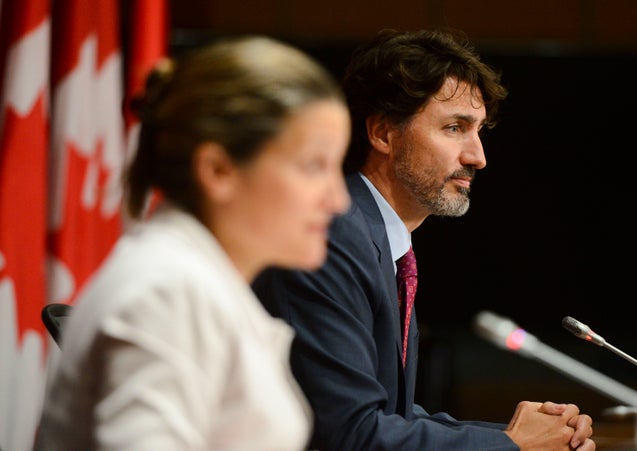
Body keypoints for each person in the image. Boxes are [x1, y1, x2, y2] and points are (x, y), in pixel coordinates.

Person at [252, 28, 596, 450]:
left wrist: (523, 435)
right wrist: (513, 446)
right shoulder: (332, 235)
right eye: (454, 128)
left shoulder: (376, 238)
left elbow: (392, 416)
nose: (478, 157)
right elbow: (350, 433)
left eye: (479, 131)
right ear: (382, 133)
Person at [35, 36, 351, 450]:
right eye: (314, 166)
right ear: (218, 170)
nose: (339, 200)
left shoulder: (192, 277)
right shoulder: (169, 290)